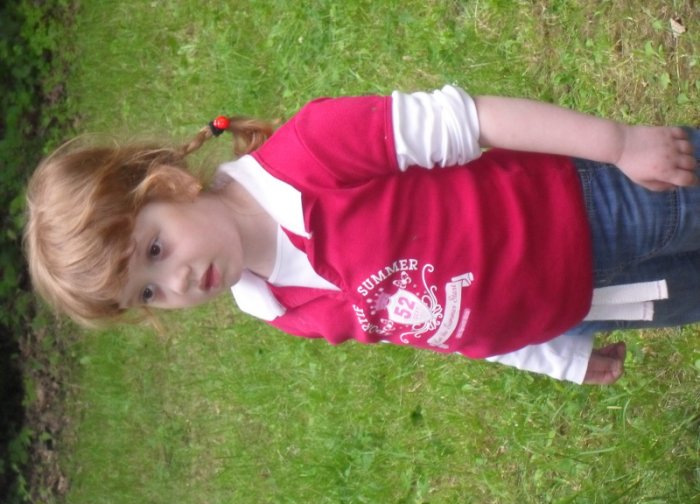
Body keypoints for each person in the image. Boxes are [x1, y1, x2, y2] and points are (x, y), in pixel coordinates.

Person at [24, 86, 700, 385]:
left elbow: (471, 121)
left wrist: (619, 145)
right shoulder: (281, 308)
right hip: (591, 300)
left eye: (154, 249)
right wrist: (558, 356)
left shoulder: (311, 152)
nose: (174, 281)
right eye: (147, 292)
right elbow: (438, 322)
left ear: (170, 186)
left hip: (597, 204)